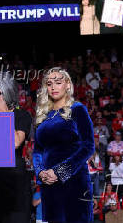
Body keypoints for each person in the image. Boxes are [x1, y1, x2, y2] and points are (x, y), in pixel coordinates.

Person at [32, 67, 94, 222]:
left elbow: (88, 146)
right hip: (49, 184)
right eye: (49, 83)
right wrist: (40, 172)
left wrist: (59, 172)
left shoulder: (78, 109)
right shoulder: (43, 115)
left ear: (67, 84)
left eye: (58, 82)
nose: (53, 87)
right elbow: (37, 151)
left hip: (74, 182)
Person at [0, 72, 32, 223]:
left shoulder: (21, 115)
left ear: (8, 92)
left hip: (15, 183)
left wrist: (4, 113)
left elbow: (15, 142)